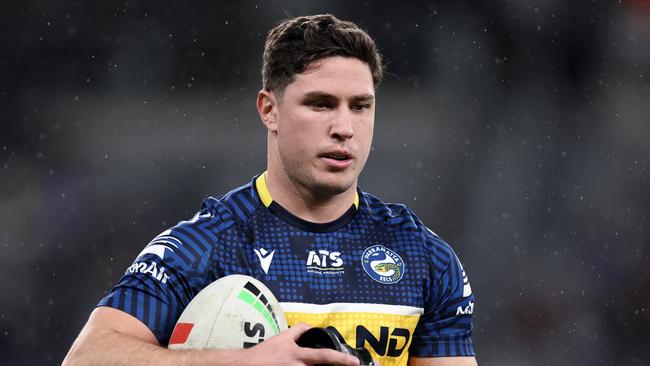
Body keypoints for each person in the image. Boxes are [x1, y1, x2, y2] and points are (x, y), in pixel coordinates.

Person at [63, 14, 477, 366]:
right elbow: (87, 356)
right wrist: (244, 362)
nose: (344, 128)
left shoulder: (425, 257)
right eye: (320, 104)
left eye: (360, 106)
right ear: (269, 110)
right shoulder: (208, 245)